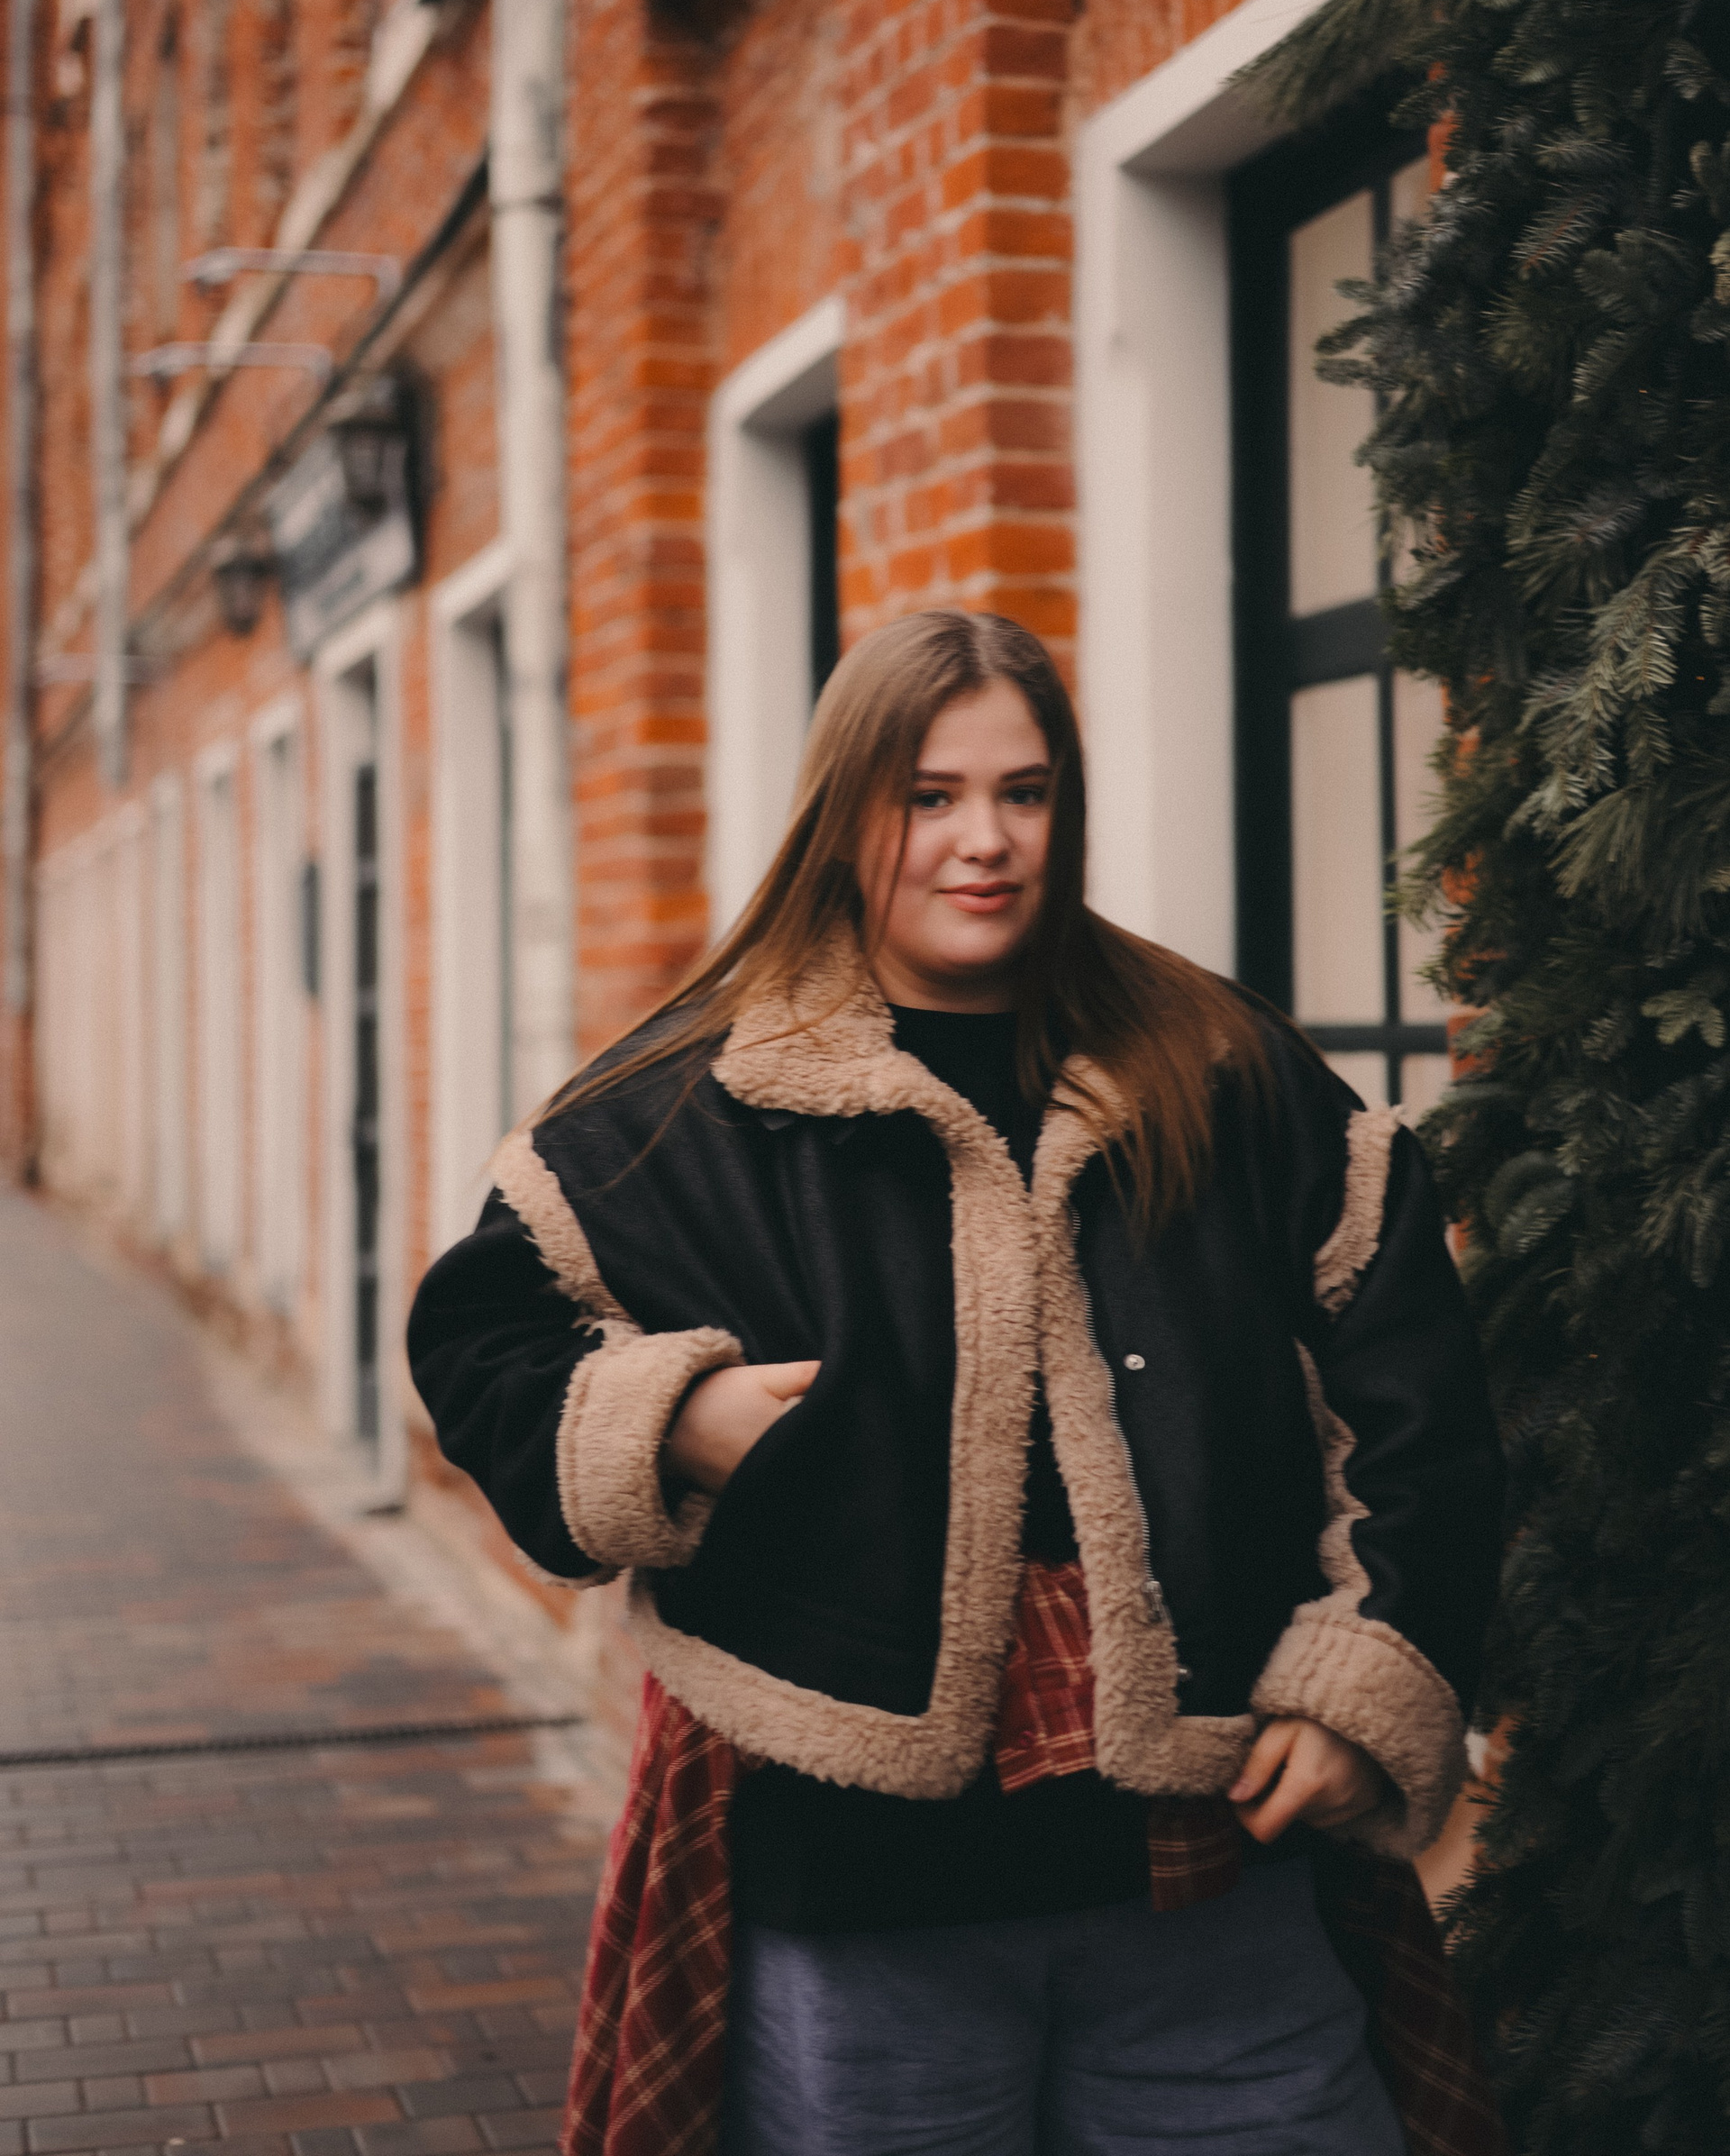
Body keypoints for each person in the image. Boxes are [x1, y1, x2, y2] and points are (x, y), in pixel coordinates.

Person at [408, 608, 1506, 2156]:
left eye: (1024, 792)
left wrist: (1364, 1689)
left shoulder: (1220, 1066)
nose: (984, 840)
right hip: (859, 1910)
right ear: (845, 811)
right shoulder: (690, 1101)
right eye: (929, 796)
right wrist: (671, 1421)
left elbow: (1416, 1393)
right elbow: (481, 1345)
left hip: (1214, 1880)